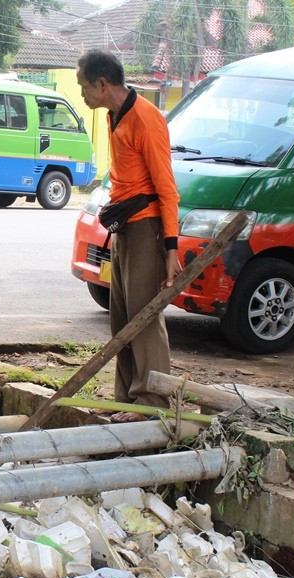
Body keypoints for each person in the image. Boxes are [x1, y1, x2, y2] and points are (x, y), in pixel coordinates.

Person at [76, 49, 182, 423]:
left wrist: (171, 246)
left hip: (147, 229)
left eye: (85, 87)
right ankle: (127, 400)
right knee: (121, 320)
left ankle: (152, 402)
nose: (83, 94)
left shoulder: (146, 119)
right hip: (124, 226)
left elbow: (167, 188)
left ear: (102, 84)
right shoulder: (113, 115)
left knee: (144, 316)